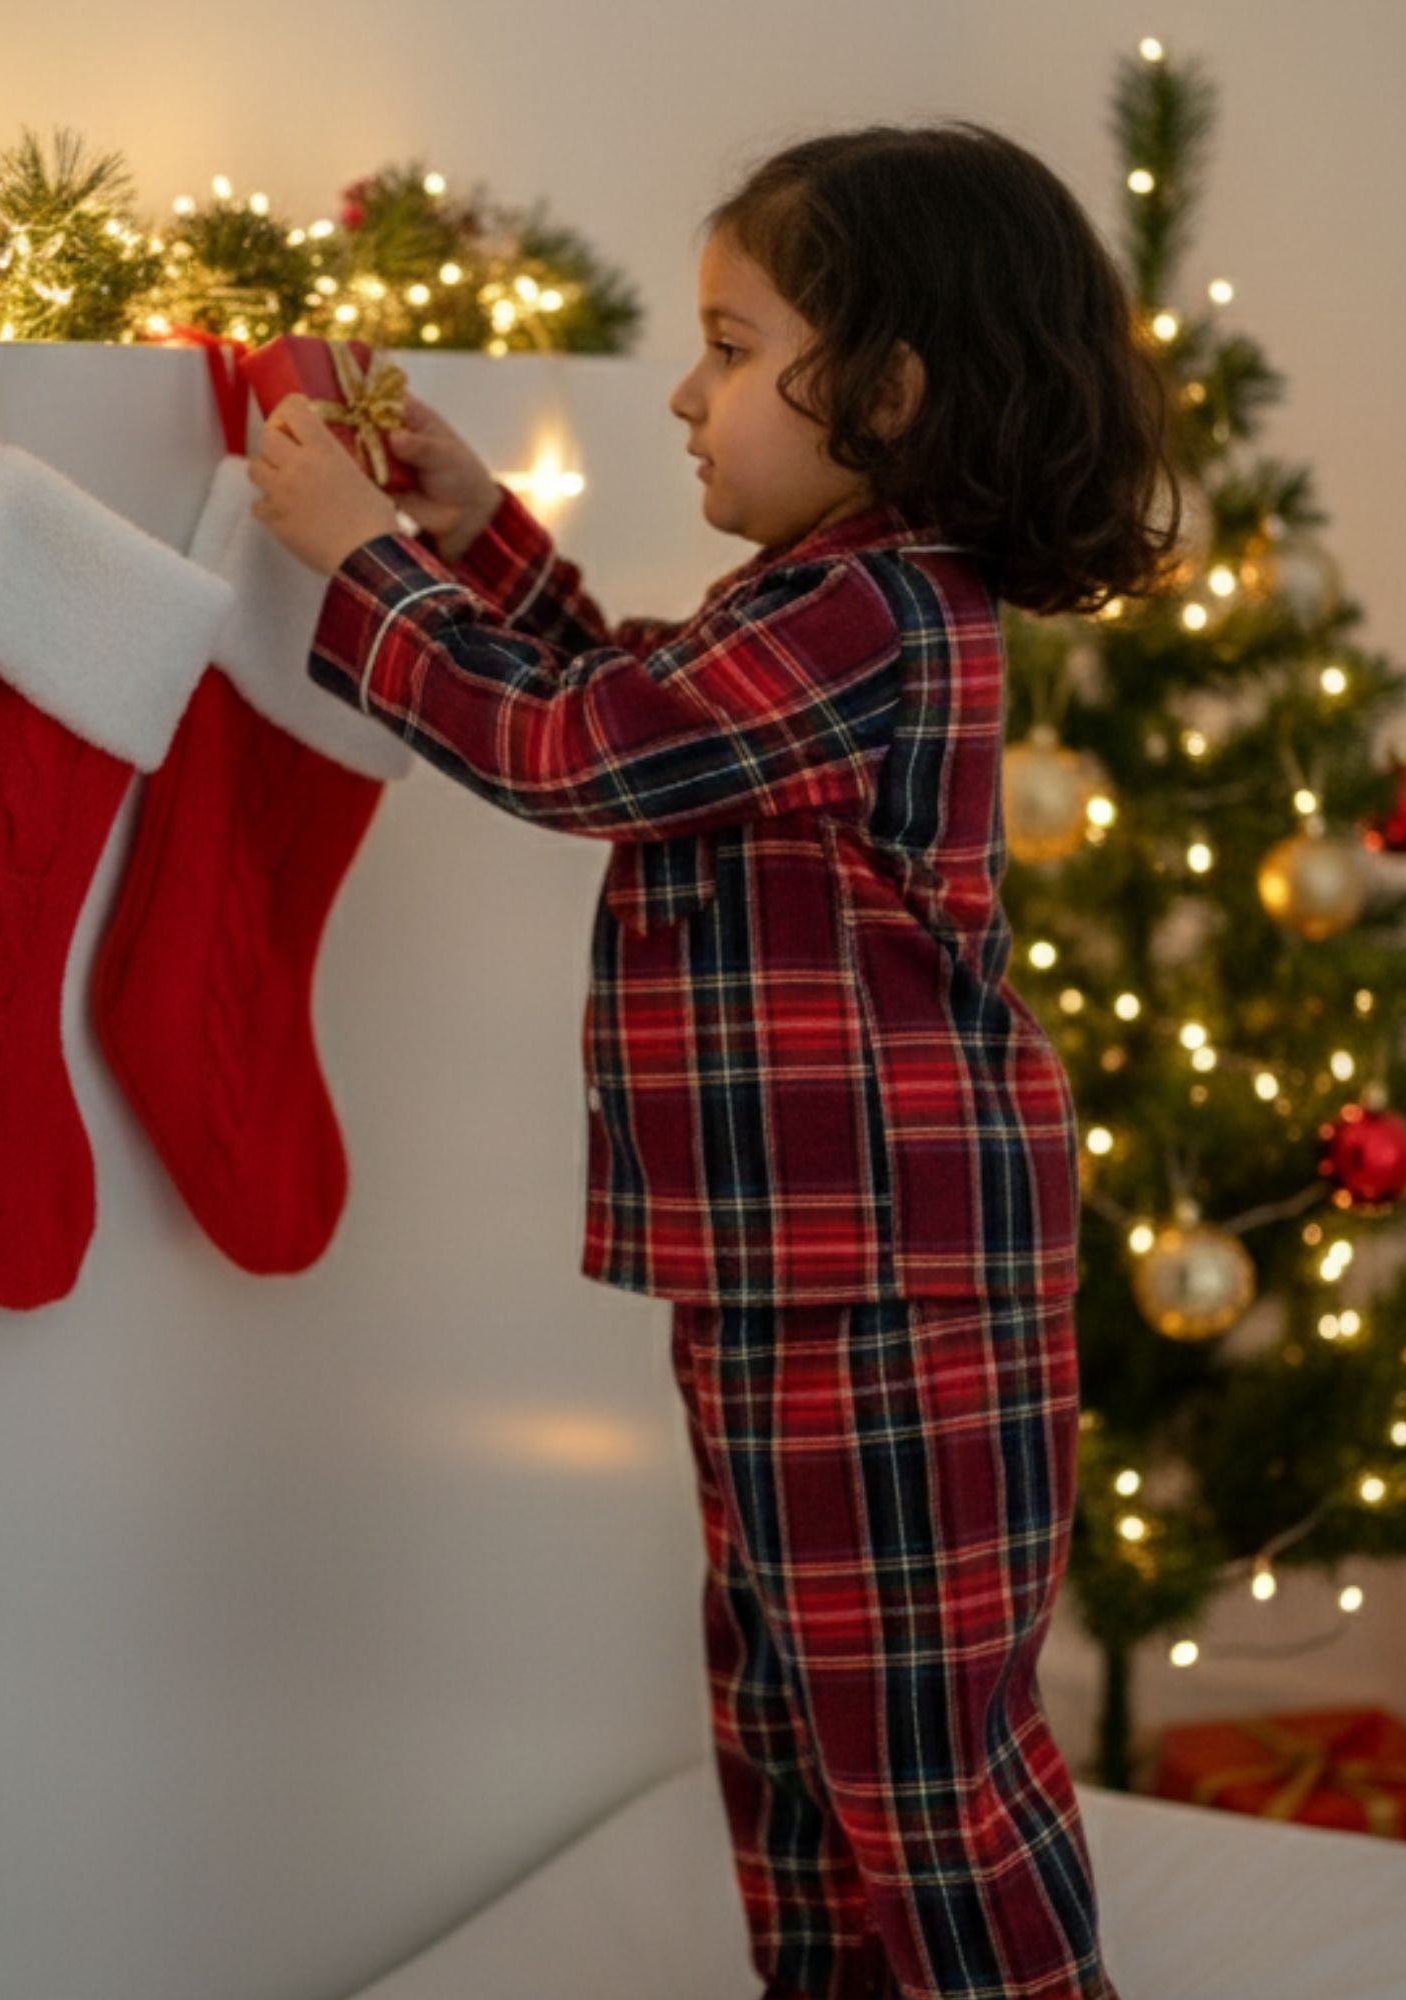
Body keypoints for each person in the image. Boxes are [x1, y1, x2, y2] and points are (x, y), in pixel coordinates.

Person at [248, 117, 1179, 2000]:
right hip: (796, 1272)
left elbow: (584, 751)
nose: (685, 393)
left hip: (893, 1287)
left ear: (893, 390)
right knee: (785, 1719)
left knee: (918, 1758)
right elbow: (641, 696)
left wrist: (361, 567)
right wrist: (470, 531)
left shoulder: (879, 605)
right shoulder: (824, 604)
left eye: (735, 348)